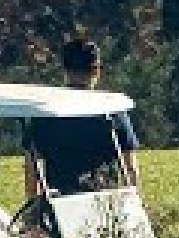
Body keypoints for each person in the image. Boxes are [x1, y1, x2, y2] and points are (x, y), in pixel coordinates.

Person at [24, 39, 141, 197]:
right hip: (104, 203)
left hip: (61, 205)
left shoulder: (45, 113)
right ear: (96, 71)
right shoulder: (111, 110)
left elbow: (32, 167)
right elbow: (130, 169)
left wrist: (33, 212)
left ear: (65, 70)